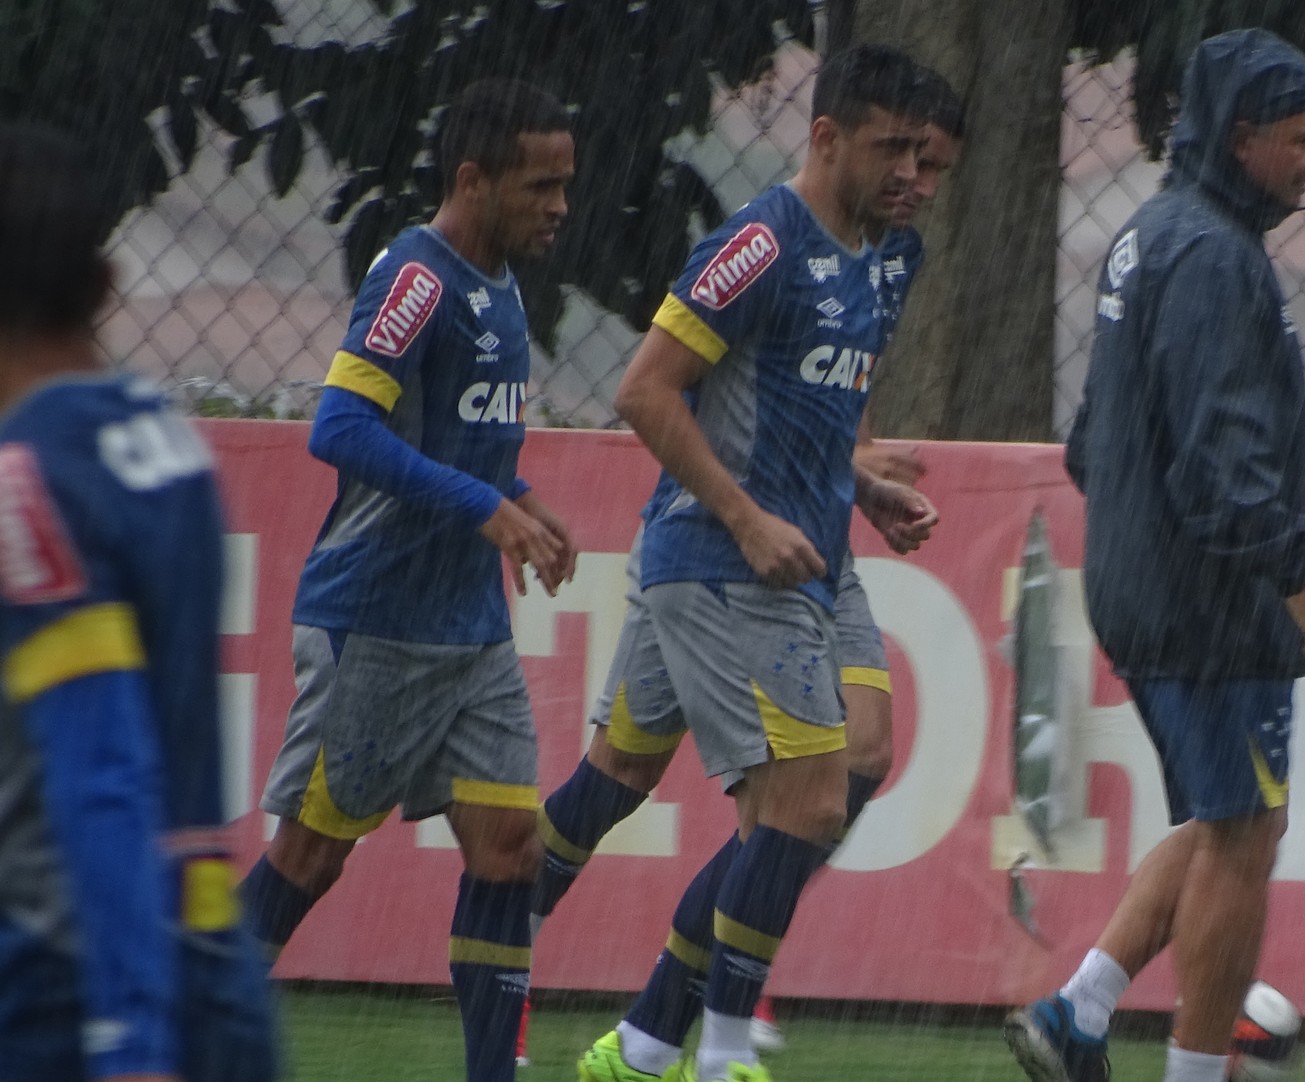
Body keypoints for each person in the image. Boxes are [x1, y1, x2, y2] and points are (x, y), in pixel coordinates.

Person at [511, 66, 964, 1069]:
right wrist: (749, 517)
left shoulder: (889, 259)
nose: (914, 176)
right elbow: (645, 391)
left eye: (929, 159)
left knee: (675, 775)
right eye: (894, 149)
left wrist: (858, 483)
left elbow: (802, 405)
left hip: (807, 548)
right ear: (828, 136)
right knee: (801, 800)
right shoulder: (760, 244)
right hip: (727, 556)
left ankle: (638, 1040)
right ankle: (703, 1048)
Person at [1004, 28, 1305, 1082]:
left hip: (1149, 584)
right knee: (1243, 838)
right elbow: (1220, 466)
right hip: (1209, 601)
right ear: (1241, 137)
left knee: (1230, 815)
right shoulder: (1213, 258)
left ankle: (1079, 1011)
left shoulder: (1152, 233)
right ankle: (1196, 1070)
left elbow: (1089, 441)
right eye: (1303, 139)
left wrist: (1140, 538)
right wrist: (1297, 575)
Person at [237, 78, 577, 1082]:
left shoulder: (504, 280)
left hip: (467, 627)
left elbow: (448, 436)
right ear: (472, 179)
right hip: (375, 618)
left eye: (566, 183)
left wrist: (518, 493)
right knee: (310, 856)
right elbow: (340, 430)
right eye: (540, 184)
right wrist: (483, 505)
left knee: (511, 844)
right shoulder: (417, 279)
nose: (560, 204)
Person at [0, 123, 276, 1082]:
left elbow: (101, 776)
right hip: (210, 952)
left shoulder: (30, 481)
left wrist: (130, 1044)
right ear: (102, 284)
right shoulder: (167, 442)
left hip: (73, 986)